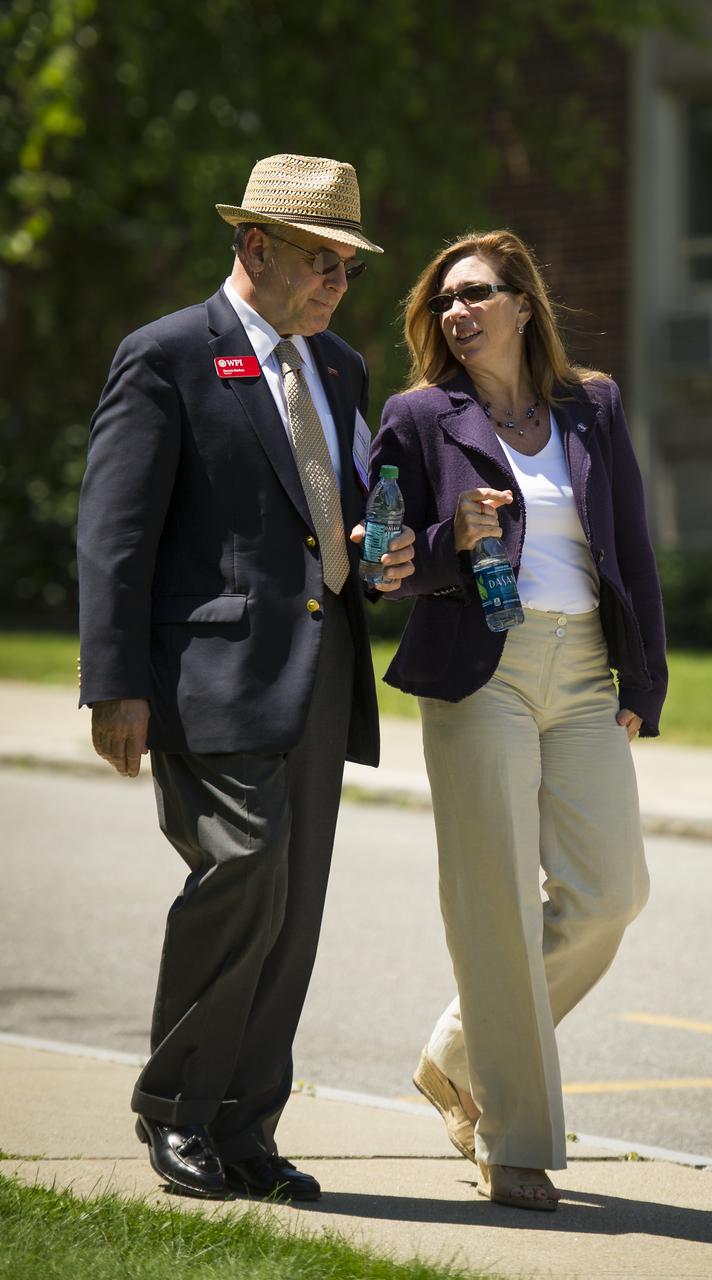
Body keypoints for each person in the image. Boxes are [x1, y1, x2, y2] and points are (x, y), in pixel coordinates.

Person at [76, 153, 414, 1201]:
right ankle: (176, 1111)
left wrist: (379, 548)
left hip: (321, 672)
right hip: (208, 673)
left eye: (350, 268)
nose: (338, 285)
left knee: (294, 905)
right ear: (255, 248)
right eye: (322, 261)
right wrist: (112, 681)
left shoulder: (343, 368)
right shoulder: (169, 354)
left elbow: (337, 503)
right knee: (247, 872)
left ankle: (246, 1126)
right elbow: (115, 533)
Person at [369, 230, 667, 1212]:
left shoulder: (591, 405)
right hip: (476, 669)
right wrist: (449, 542)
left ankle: (457, 1051)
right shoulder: (417, 418)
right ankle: (516, 1140)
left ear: (523, 303)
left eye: (477, 293)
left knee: (609, 889)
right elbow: (382, 564)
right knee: (493, 898)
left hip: (582, 666)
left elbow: (630, 543)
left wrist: (643, 678)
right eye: (444, 298)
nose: (457, 311)